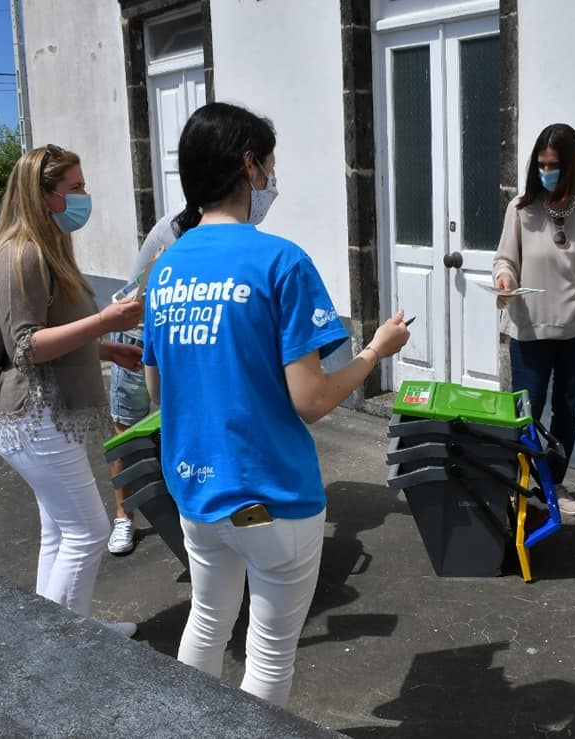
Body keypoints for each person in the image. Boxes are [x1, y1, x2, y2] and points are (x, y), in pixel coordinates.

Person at [141, 102, 410, 707]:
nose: (272, 178)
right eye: (269, 165)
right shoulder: (280, 261)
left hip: (195, 491)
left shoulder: (165, 268)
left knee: (207, 620)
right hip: (271, 498)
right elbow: (311, 400)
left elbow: (159, 394)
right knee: (267, 654)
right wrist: (375, 351)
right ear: (250, 167)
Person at [0, 144, 144, 635]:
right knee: (88, 532)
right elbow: (26, 347)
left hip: (40, 416)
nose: (85, 196)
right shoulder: (23, 255)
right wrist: (104, 321)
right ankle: (63, 649)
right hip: (36, 417)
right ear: (43, 194)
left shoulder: (43, 249)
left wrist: (106, 349)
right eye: (75, 187)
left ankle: (59, 633)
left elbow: (53, 333)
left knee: (59, 530)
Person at [492, 123, 575, 517]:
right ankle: (518, 484)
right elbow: (505, 259)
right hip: (531, 327)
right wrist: (504, 278)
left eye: (555, 166)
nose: (547, 172)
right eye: (542, 165)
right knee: (526, 412)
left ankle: (554, 482)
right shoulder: (522, 208)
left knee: (568, 410)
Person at [107, 211, 183, 555]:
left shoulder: (228, 223)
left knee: (181, 424)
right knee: (128, 431)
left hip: (179, 338)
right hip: (136, 338)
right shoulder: (179, 227)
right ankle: (124, 516)